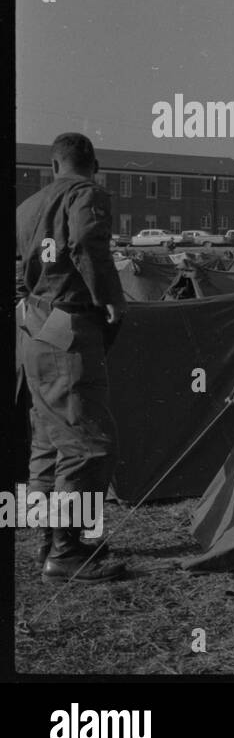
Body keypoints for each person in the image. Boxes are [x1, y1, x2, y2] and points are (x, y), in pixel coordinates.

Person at [16, 133, 128, 581]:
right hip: (69, 324)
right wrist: (110, 297)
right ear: (93, 163)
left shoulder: (28, 206)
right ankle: (65, 551)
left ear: (53, 164)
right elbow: (85, 240)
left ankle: (50, 540)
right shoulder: (86, 194)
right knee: (88, 443)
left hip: (36, 326)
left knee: (48, 441)